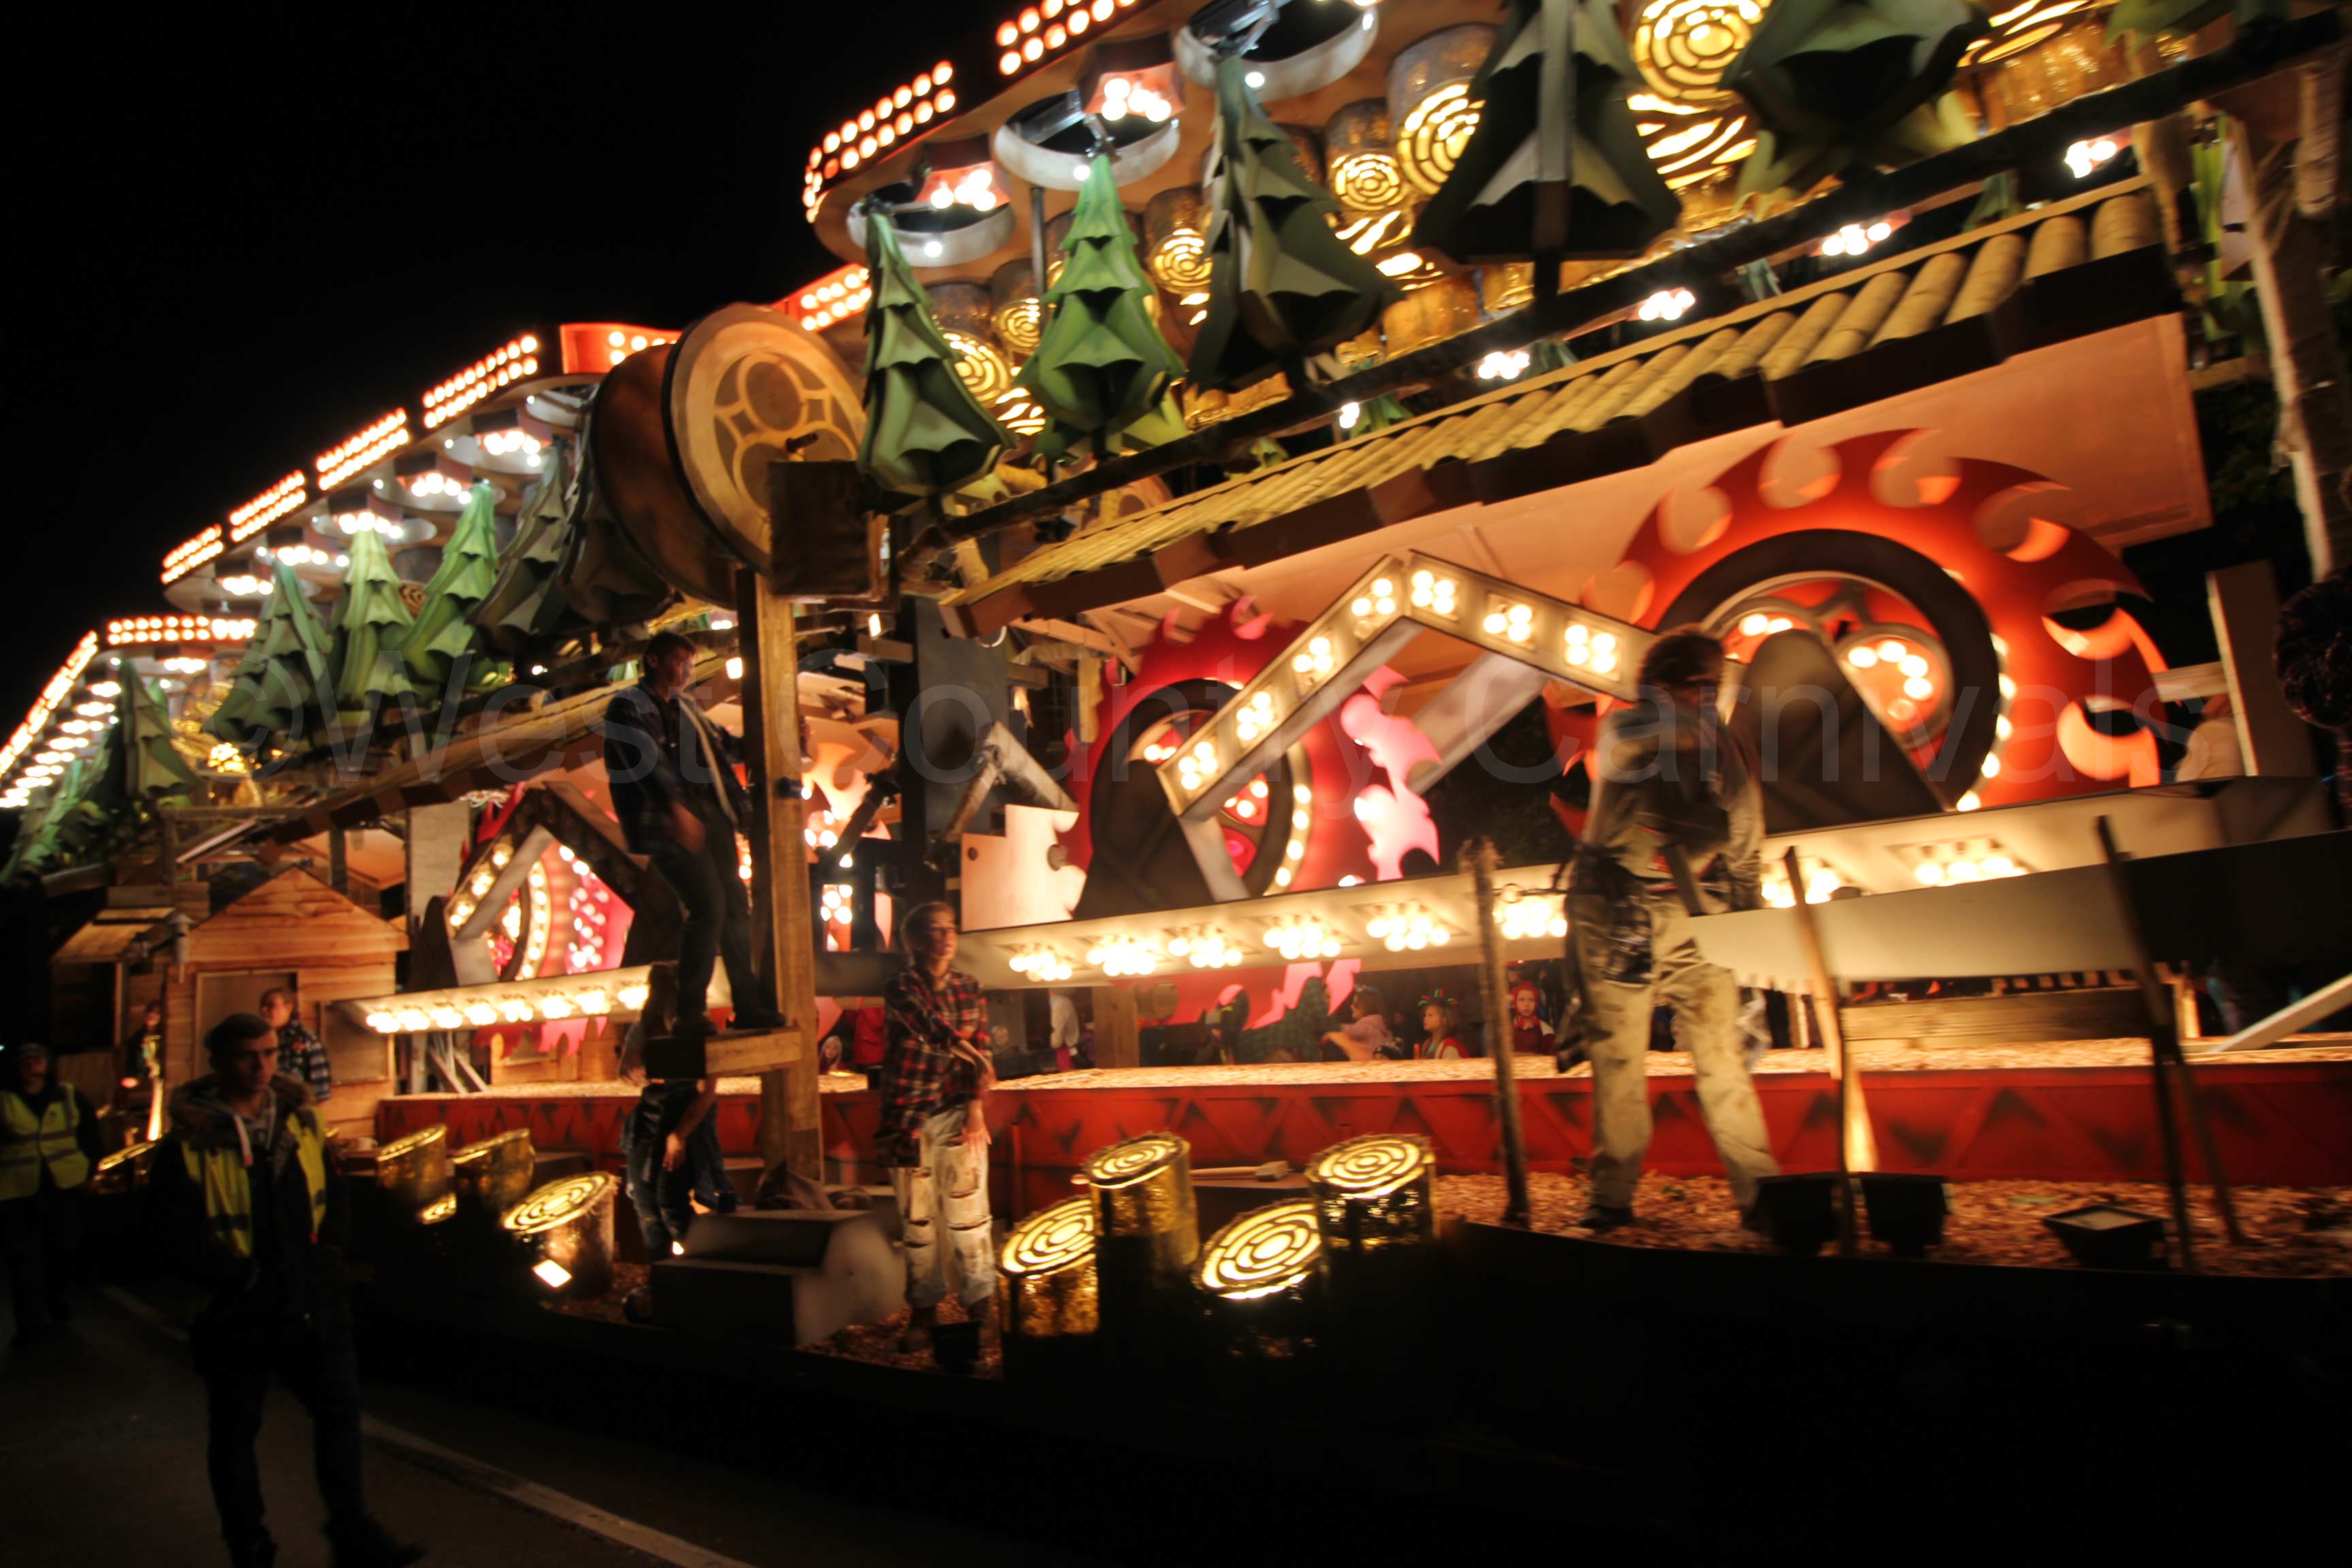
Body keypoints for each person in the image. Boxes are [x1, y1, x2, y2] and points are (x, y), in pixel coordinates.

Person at [151, 1013, 419, 1568]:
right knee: (235, 1431)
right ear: (218, 1062)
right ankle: (249, 1544)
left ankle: (351, 1532)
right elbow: (172, 1231)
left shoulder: (300, 1120)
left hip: (311, 1297)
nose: (262, 1066)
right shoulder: (189, 1141)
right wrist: (234, 1278)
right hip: (236, 1310)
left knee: (339, 1416)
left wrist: (330, 1256)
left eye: (270, 1053)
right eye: (247, 1055)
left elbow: (334, 1192)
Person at [1567, 628, 1778, 1233]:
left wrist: (1749, 929)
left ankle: (1762, 1194)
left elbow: (1746, 848)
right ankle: (1612, 1196)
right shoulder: (1627, 727)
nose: (1713, 696)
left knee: (1723, 1056)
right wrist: (1704, 730)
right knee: (1618, 1058)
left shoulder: (1726, 748)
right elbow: (1650, 739)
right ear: (1662, 688)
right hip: (1617, 912)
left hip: (1696, 915)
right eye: (1702, 685)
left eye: (1718, 687)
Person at [601, 630, 778, 1039]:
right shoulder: (628, 705)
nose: (686, 671)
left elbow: (726, 746)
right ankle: (689, 1011)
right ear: (653, 661)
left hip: (710, 813)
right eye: (680, 662)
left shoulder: (687, 710)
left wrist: (780, 739)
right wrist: (675, 807)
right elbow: (646, 760)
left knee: (736, 906)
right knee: (709, 905)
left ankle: (748, 1005)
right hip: (666, 819)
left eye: (689, 664)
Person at [877, 901, 997, 1351]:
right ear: (915, 939)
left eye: (951, 929)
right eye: (935, 930)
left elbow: (982, 1043)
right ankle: (924, 1312)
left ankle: (980, 1307)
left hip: (954, 1108)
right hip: (905, 1117)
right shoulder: (901, 986)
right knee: (917, 1222)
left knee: (970, 1215)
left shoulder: (970, 987)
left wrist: (975, 1108)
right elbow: (929, 1026)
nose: (947, 938)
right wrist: (975, 1057)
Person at [2, 1042, 101, 1343]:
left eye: (38, 1060)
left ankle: (56, 1305)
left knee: (62, 1250)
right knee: (23, 1260)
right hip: (18, 1192)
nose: (33, 1066)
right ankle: (30, 1323)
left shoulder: (68, 1095)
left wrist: (89, 1171)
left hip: (63, 1188)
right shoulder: (5, 1100)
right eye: (26, 1062)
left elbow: (90, 1135)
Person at [615, 1024, 735, 1258]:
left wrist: (680, 1134)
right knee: (645, 1204)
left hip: (686, 1118)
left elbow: (707, 1093)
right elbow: (626, 1072)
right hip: (649, 1119)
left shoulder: (701, 1030)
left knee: (670, 1201)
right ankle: (659, 1267)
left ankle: (694, 1263)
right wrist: (637, 1072)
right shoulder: (644, 1027)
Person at [260, 988, 330, 1105]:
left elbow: (320, 1091)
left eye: (270, 1005)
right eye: (263, 1005)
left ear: (288, 1008)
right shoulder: (259, 1041)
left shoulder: (306, 1038)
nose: (264, 1010)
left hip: (297, 1109)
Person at [1320, 985, 1393, 1062]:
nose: (1352, 1006)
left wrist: (1330, 1033)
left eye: (1356, 1004)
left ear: (1367, 1006)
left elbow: (1343, 1031)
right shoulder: (1380, 1024)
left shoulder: (1366, 1025)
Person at [1507, 980, 1555, 1054]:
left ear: (1536, 1003)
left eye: (1531, 1000)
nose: (1526, 1004)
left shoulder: (1545, 1030)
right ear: (1515, 1003)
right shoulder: (1509, 1029)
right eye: (1522, 1000)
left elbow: (1551, 1056)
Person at [1417, 996, 1469, 1060]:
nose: (1425, 1018)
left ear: (1444, 1019)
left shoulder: (1450, 1047)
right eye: (1425, 1015)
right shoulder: (1427, 1044)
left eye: (1430, 1015)